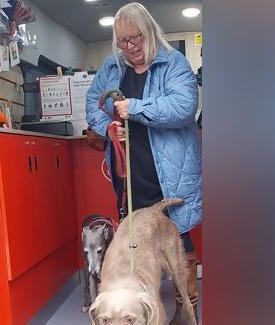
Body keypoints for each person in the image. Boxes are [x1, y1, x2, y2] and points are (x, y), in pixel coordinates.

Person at [85, 2, 202, 323]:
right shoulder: (112, 67)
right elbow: (94, 105)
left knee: (179, 233)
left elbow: (183, 107)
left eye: (136, 38)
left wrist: (134, 107)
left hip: (169, 169)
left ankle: (186, 305)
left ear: (150, 32)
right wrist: (107, 126)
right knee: (135, 239)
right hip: (130, 169)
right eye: (123, 41)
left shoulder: (173, 63)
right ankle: (139, 308)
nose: (130, 46)